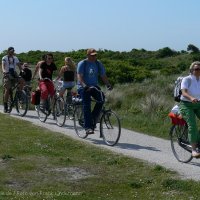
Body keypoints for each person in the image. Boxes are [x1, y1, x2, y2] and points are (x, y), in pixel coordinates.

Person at [77, 48, 112, 134]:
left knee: (101, 99)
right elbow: (79, 76)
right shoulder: (83, 63)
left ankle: (92, 119)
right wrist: (85, 86)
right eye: (92, 55)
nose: (94, 57)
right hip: (83, 87)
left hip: (94, 86)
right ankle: (88, 127)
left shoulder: (98, 63)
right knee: (87, 104)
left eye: (95, 55)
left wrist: (108, 84)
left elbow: (103, 75)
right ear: (88, 55)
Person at [179, 61, 200, 158]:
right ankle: (194, 150)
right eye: (196, 69)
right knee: (193, 125)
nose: (198, 71)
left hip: (198, 104)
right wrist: (191, 98)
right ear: (192, 70)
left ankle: (197, 140)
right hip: (186, 104)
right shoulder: (187, 79)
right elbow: (184, 92)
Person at [2, 47, 23, 113]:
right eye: (11, 51)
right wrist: (4, 71)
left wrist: (22, 70)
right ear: (8, 51)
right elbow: (3, 65)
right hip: (7, 73)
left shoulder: (15, 58)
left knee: (22, 80)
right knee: (7, 89)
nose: (12, 52)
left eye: (13, 51)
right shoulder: (4, 57)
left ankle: (19, 94)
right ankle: (5, 106)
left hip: (13, 72)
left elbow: (19, 66)